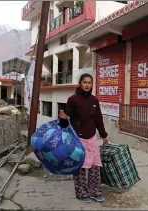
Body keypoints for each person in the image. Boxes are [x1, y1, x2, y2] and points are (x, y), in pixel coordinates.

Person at [59, 73, 108, 203]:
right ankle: (82, 193)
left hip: (92, 138)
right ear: (80, 83)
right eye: (84, 82)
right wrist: (62, 119)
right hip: (78, 139)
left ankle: (95, 191)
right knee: (80, 167)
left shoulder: (94, 100)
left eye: (89, 83)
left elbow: (98, 119)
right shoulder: (73, 99)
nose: (87, 85)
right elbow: (66, 120)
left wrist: (103, 135)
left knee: (95, 166)